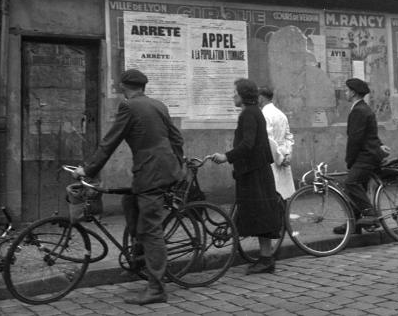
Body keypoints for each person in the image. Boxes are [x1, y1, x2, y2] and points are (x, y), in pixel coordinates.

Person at [71, 69, 184, 305]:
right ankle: (138, 259)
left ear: (124, 86)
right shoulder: (158, 105)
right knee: (130, 203)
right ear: (143, 86)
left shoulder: (128, 107)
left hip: (151, 172)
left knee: (150, 228)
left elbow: (110, 141)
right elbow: (176, 138)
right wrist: (177, 164)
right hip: (159, 169)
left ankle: (156, 288)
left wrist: (88, 169)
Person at [210, 78, 283, 274]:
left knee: (260, 215)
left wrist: (226, 156)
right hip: (256, 171)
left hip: (254, 173)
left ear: (243, 95)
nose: (232, 95)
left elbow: (248, 143)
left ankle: (266, 259)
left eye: (235, 92)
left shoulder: (248, 115)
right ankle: (265, 258)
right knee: (261, 214)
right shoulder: (253, 112)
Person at [334, 78, 384, 235]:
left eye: (347, 90)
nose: (346, 93)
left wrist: (350, 160)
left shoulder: (359, 110)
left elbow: (355, 139)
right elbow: (371, 134)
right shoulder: (362, 108)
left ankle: (370, 214)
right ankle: (354, 223)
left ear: (354, 92)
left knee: (351, 183)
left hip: (366, 156)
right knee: (358, 187)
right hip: (368, 153)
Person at [257, 86, 295, 200]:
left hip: (273, 158)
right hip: (283, 154)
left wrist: (280, 159)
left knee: (273, 193)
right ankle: (284, 216)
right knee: (283, 195)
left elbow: (269, 140)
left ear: (261, 98)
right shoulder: (281, 114)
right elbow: (288, 136)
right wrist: (288, 154)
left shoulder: (264, 115)